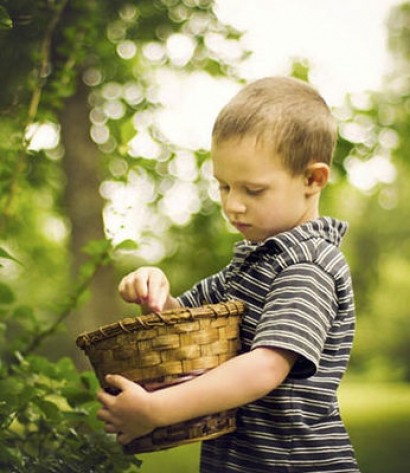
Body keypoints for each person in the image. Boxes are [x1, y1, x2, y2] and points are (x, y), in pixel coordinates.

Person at [96, 76, 360, 472]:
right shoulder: (254, 262)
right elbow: (185, 329)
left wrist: (156, 409)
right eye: (224, 186)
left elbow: (265, 367)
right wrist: (156, 294)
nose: (233, 205)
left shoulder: (307, 266)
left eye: (252, 190)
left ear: (312, 180)